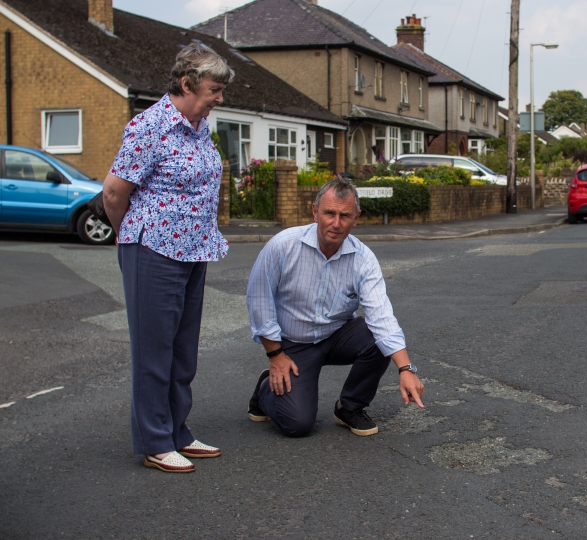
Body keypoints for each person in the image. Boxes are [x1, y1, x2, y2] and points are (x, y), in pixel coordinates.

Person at [102, 44, 234, 473]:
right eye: (214, 89)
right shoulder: (150, 127)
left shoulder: (199, 127)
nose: (219, 98)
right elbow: (113, 193)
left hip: (194, 248)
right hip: (153, 249)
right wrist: (131, 235)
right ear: (187, 84)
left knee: (182, 349)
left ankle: (177, 430)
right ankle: (155, 441)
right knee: (153, 350)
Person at [246, 178, 424, 437]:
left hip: (336, 336)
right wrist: (275, 356)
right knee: (297, 425)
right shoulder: (283, 245)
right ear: (315, 211)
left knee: (376, 337)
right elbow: (259, 299)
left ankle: (350, 407)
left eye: (345, 215)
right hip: (294, 344)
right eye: (329, 213)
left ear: (357, 218)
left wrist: (405, 369)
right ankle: (265, 389)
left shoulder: (363, 259)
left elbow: (382, 316)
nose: (336, 223)